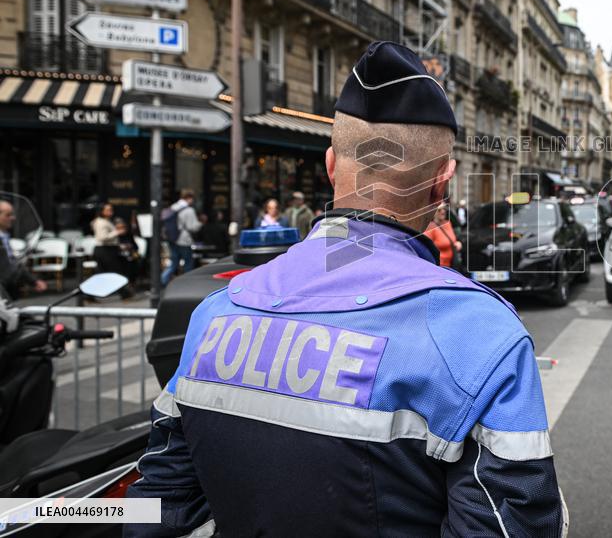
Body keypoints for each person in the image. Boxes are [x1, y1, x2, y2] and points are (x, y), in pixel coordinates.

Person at [125, 41, 566, 537]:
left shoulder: (214, 313)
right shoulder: (482, 334)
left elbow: (153, 507)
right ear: (443, 182)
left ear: (332, 165)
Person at [0, 199, 46, 299]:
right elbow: (8, 267)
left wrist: (33, 281)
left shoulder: (5, 237)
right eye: (8, 215)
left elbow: (12, 263)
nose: (13, 218)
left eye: (12, 214)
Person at [161, 189, 202, 286]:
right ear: (189, 198)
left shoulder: (173, 207)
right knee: (188, 263)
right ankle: (187, 285)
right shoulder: (189, 210)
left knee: (173, 263)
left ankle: (162, 281)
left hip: (173, 238)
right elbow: (192, 227)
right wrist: (200, 223)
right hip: (184, 240)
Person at [424, 203, 462, 268]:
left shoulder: (448, 223)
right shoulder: (430, 227)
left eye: (444, 209)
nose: (443, 211)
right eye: (439, 210)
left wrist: (457, 243)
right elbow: (425, 249)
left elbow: (452, 239)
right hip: (440, 267)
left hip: (452, 265)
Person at [92, 203, 120, 274]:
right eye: (108, 210)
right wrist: (117, 232)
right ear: (102, 211)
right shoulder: (100, 222)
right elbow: (102, 237)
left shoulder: (108, 220)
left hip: (109, 249)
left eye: (111, 209)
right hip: (105, 250)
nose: (110, 211)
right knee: (106, 273)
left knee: (111, 272)